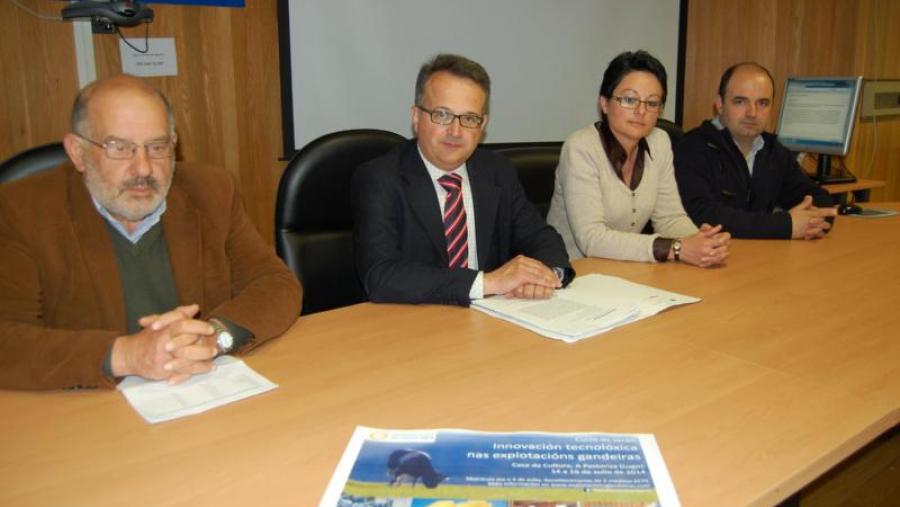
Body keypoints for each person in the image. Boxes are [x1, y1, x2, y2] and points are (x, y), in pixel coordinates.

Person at [0, 75, 302, 390]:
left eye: (157, 147)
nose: (143, 168)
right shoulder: (21, 211)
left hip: (197, 392)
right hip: (85, 410)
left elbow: (275, 284)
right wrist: (126, 355)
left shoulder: (211, 192)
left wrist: (213, 336)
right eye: (120, 148)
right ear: (77, 152)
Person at [353, 54, 574, 306]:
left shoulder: (497, 171)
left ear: (483, 125)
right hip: (409, 323)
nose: (456, 131)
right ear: (416, 117)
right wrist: (487, 282)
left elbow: (541, 237)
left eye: (469, 119)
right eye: (442, 115)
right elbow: (381, 276)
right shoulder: (379, 178)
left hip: (489, 320)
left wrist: (547, 276)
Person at [546, 50, 730, 267]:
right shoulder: (581, 147)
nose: (641, 111)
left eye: (652, 103)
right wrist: (675, 248)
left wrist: (701, 241)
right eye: (629, 99)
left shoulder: (659, 142)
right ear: (604, 103)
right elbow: (591, 239)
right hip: (573, 274)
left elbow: (669, 218)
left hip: (626, 272)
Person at [674, 62, 836, 239]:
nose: (752, 113)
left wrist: (811, 222)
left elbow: (819, 199)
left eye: (762, 103)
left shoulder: (774, 151)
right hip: (707, 259)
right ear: (719, 104)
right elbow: (703, 215)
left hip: (758, 258)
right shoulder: (693, 148)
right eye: (740, 101)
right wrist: (786, 225)